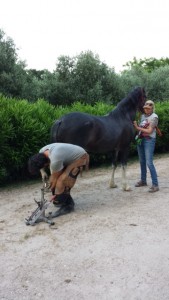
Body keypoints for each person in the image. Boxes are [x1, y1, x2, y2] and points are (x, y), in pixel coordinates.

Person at [28, 143, 89, 217]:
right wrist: (43, 172)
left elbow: (54, 178)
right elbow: (46, 169)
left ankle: (68, 206)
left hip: (80, 157)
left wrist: (50, 187)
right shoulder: (42, 151)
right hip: (65, 157)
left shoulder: (55, 159)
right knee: (56, 185)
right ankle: (63, 199)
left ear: (45, 164)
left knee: (61, 181)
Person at [133, 100, 159, 192]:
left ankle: (155, 184)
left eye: (148, 108)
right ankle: (143, 181)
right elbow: (142, 129)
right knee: (142, 161)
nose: (146, 110)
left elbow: (149, 131)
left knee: (149, 163)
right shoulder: (143, 116)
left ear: (152, 108)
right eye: (145, 108)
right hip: (141, 140)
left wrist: (137, 127)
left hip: (149, 141)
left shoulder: (154, 117)